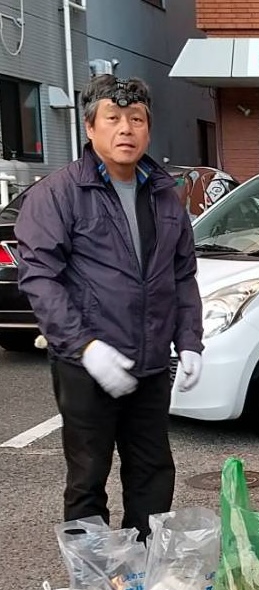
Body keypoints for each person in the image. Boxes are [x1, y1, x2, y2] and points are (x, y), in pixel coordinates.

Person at [15, 75, 204, 541]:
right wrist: (85, 346)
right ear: (89, 127)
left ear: (148, 129)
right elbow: (40, 277)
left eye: (136, 119)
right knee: (87, 476)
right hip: (86, 365)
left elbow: (182, 273)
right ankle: (92, 576)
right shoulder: (58, 194)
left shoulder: (164, 194)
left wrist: (190, 341)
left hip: (151, 361)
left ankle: (142, 566)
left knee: (152, 470)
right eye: (113, 118)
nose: (126, 129)